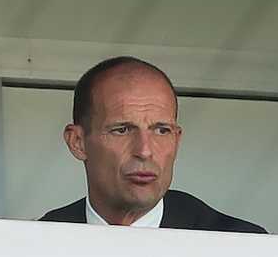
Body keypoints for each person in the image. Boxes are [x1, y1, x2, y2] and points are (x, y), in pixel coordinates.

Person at [40, 57, 266, 234]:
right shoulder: (36, 243)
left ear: (177, 140)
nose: (145, 151)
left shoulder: (241, 246)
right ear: (77, 142)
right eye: (122, 130)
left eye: (161, 131)